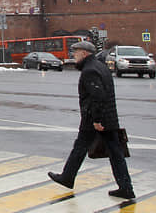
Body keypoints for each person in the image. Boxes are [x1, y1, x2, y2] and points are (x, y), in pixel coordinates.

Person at [48, 41, 135, 200]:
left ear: (85, 53)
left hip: (96, 120)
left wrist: (97, 120)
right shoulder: (100, 66)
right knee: (115, 153)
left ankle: (68, 177)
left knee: (81, 148)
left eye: (76, 52)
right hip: (108, 118)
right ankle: (125, 187)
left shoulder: (90, 71)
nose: (73, 55)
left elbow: (97, 96)